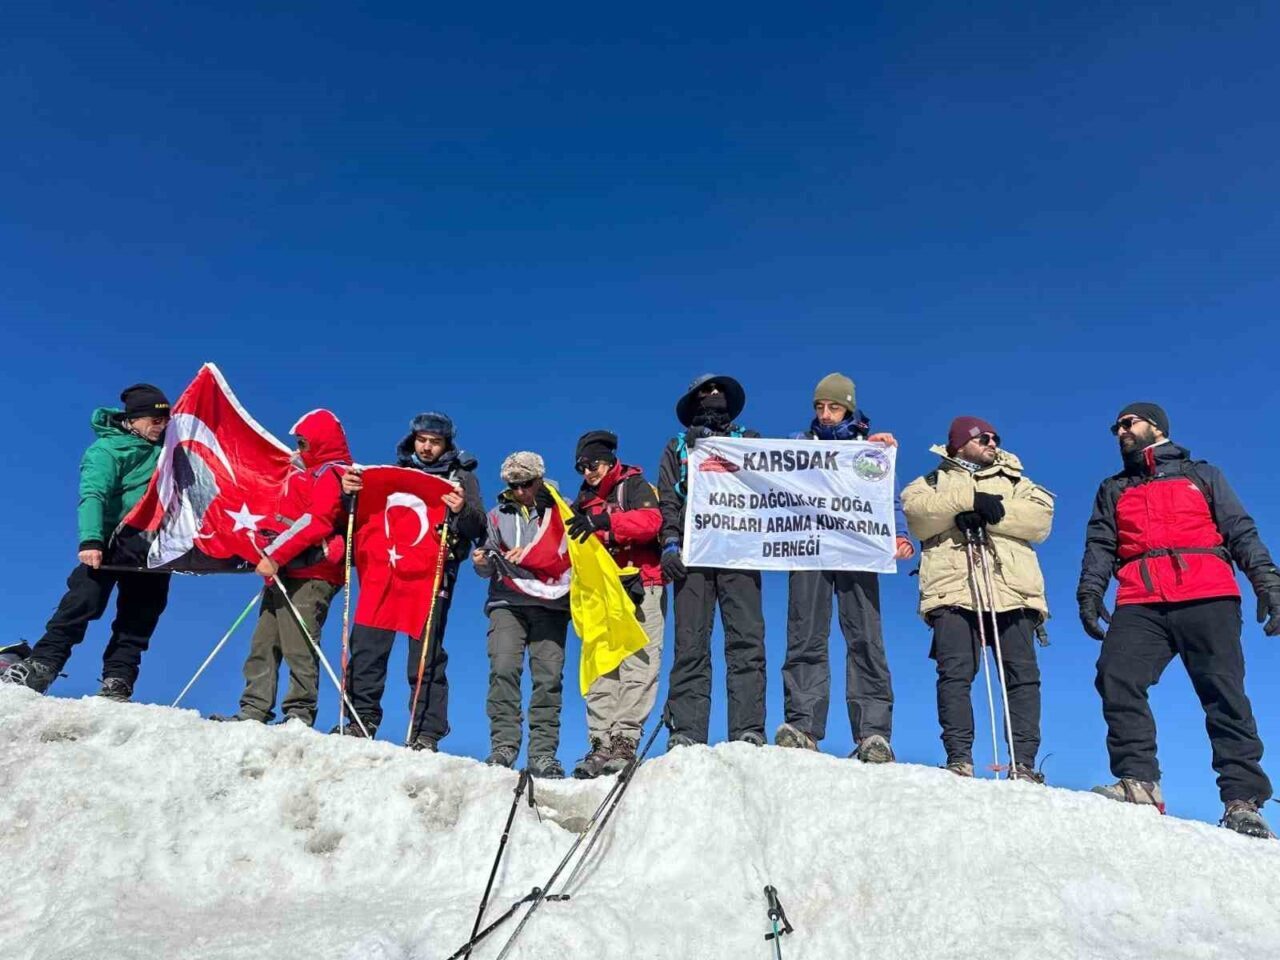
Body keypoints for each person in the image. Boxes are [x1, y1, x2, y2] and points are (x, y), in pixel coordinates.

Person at [1079, 403, 1280, 838]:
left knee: (1223, 691)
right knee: (1116, 674)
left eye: (1128, 423)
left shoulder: (1202, 475)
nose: (1120, 431)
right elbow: (1100, 544)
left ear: (1157, 427)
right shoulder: (1114, 488)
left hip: (1207, 591)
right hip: (1140, 595)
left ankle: (1242, 800)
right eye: (1116, 427)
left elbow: (1240, 530)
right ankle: (1139, 782)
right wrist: (1090, 591)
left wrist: (1267, 582)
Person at [901, 415, 1053, 781]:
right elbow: (916, 515)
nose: (992, 442)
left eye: (995, 437)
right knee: (954, 673)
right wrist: (967, 500)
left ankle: (1024, 764)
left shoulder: (1018, 479)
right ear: (958, 443)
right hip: (952, 588)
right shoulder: (930, 482)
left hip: (1013, 589)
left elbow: (1040, 519)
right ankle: (959, 759)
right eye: (982, 437)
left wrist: (985, 513)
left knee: (1022, 676)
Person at [774, 373, 915, 763]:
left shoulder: (868, 452)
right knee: (805, 634)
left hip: (859, 549)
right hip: (809, 549)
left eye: (833, 406)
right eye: (819, 406)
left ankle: (873, 733)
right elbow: (765, 473)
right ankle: (803, 725)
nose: (826, 413)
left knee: (865, 637)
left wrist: (899, 535)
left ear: (848, 408)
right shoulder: (799, 445)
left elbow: (889, 499)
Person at [2, 384, 172, 700]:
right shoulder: (107, 451)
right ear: (134, 418)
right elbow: (94, 495)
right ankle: (43, 665)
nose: (161, 426)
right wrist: (91, 540)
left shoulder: (169, 453)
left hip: (151, 547)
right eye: (155, 419)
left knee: (139, 616)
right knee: (82, 604)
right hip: (109, 542)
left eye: (165, 421)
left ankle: (118, 680)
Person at [339, 412, 485, 749]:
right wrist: (349, 493)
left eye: (436, 442)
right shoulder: (394, 475)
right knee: (368, 644)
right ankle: (361, 720)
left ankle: (425, 732)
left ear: (447, 444)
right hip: (387, 570)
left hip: (432, 573)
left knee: (426, 653)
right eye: (423, 440)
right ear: (413, 440)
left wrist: (461, 508)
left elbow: (478, 528)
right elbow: (355, 515)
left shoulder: (460, 477)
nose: (428, 447)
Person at [211, 410, 352, 726]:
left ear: (321, 443)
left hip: (313, 572)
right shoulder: (303, 473)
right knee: (264, 642)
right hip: (285, 569)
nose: (299, 449)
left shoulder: (333, 473)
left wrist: (274, 555)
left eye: (304, 443)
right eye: (299, 443)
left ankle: (299, 714)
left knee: (297, 642)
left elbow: (318, 521)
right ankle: (254, 709)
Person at [658, 374, 767, 748]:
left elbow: (778, 484)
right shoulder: (677, 447)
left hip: (740, 550)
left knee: (747, 640)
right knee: (690, 642)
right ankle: (687, 730)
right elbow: (668, 500)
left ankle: (748, 728)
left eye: (719, 391)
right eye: (706, 392)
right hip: (694, 550)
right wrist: (670, 543)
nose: (714, 396)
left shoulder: (750, 442)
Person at [565, 430, 665, 778]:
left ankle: (625, 739)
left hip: (642, 585)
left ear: (609, 460)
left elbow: (652, 522)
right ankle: (600, 742)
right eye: (581, 467)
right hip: (603, 595)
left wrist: (607, 522)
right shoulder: (582, 501)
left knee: (639, 664)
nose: (587, 472)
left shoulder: (635, 486)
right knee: (602, 667)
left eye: (592, 464)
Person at [472, 452, 571, 778]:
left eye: (525, 484)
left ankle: (543, 754)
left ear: (540, 479)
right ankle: (503, 747)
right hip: (507, 603)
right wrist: (482, 562)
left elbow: (574, 554)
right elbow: (487, 564)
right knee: (503, 670)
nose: (519, 491)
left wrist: (532, 555)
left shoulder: (563, 509)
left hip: (551, 605)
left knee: (548, 679)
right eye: (512, 485)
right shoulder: (496, 515)